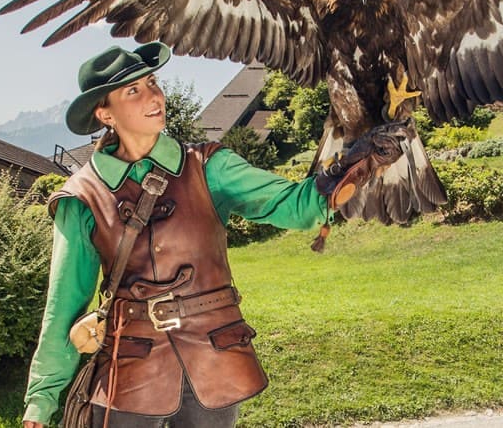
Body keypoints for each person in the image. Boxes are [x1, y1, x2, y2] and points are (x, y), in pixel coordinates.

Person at [21, 42, 367, 427]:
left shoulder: (209, 166)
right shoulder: (83, 196)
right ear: (105, 114)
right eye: (133, 90)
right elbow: (64, 304)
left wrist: (358, 164)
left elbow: (296, 206)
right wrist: (41, 400)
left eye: (152, 82)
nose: (154, 96)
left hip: (214, 355)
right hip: (128, 367)